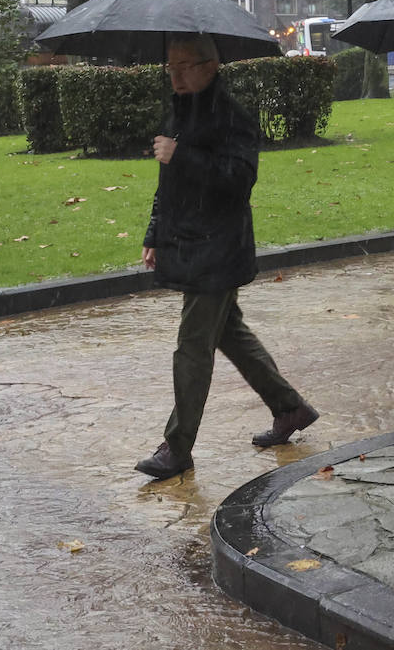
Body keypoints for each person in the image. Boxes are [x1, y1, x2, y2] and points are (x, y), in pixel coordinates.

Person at [135, 33, 317, 480]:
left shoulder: (231, 115)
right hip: (187, 241)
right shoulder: (179, 110)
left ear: (211, 65)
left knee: (193, 345)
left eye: (184, 66)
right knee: (228, 331)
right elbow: (168, 185)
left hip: (217, 246)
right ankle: (290, 408)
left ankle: (177, 447)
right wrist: (154, 232)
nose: (174, 75)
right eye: (170, 66)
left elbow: (239, 179)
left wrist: (182, 155)